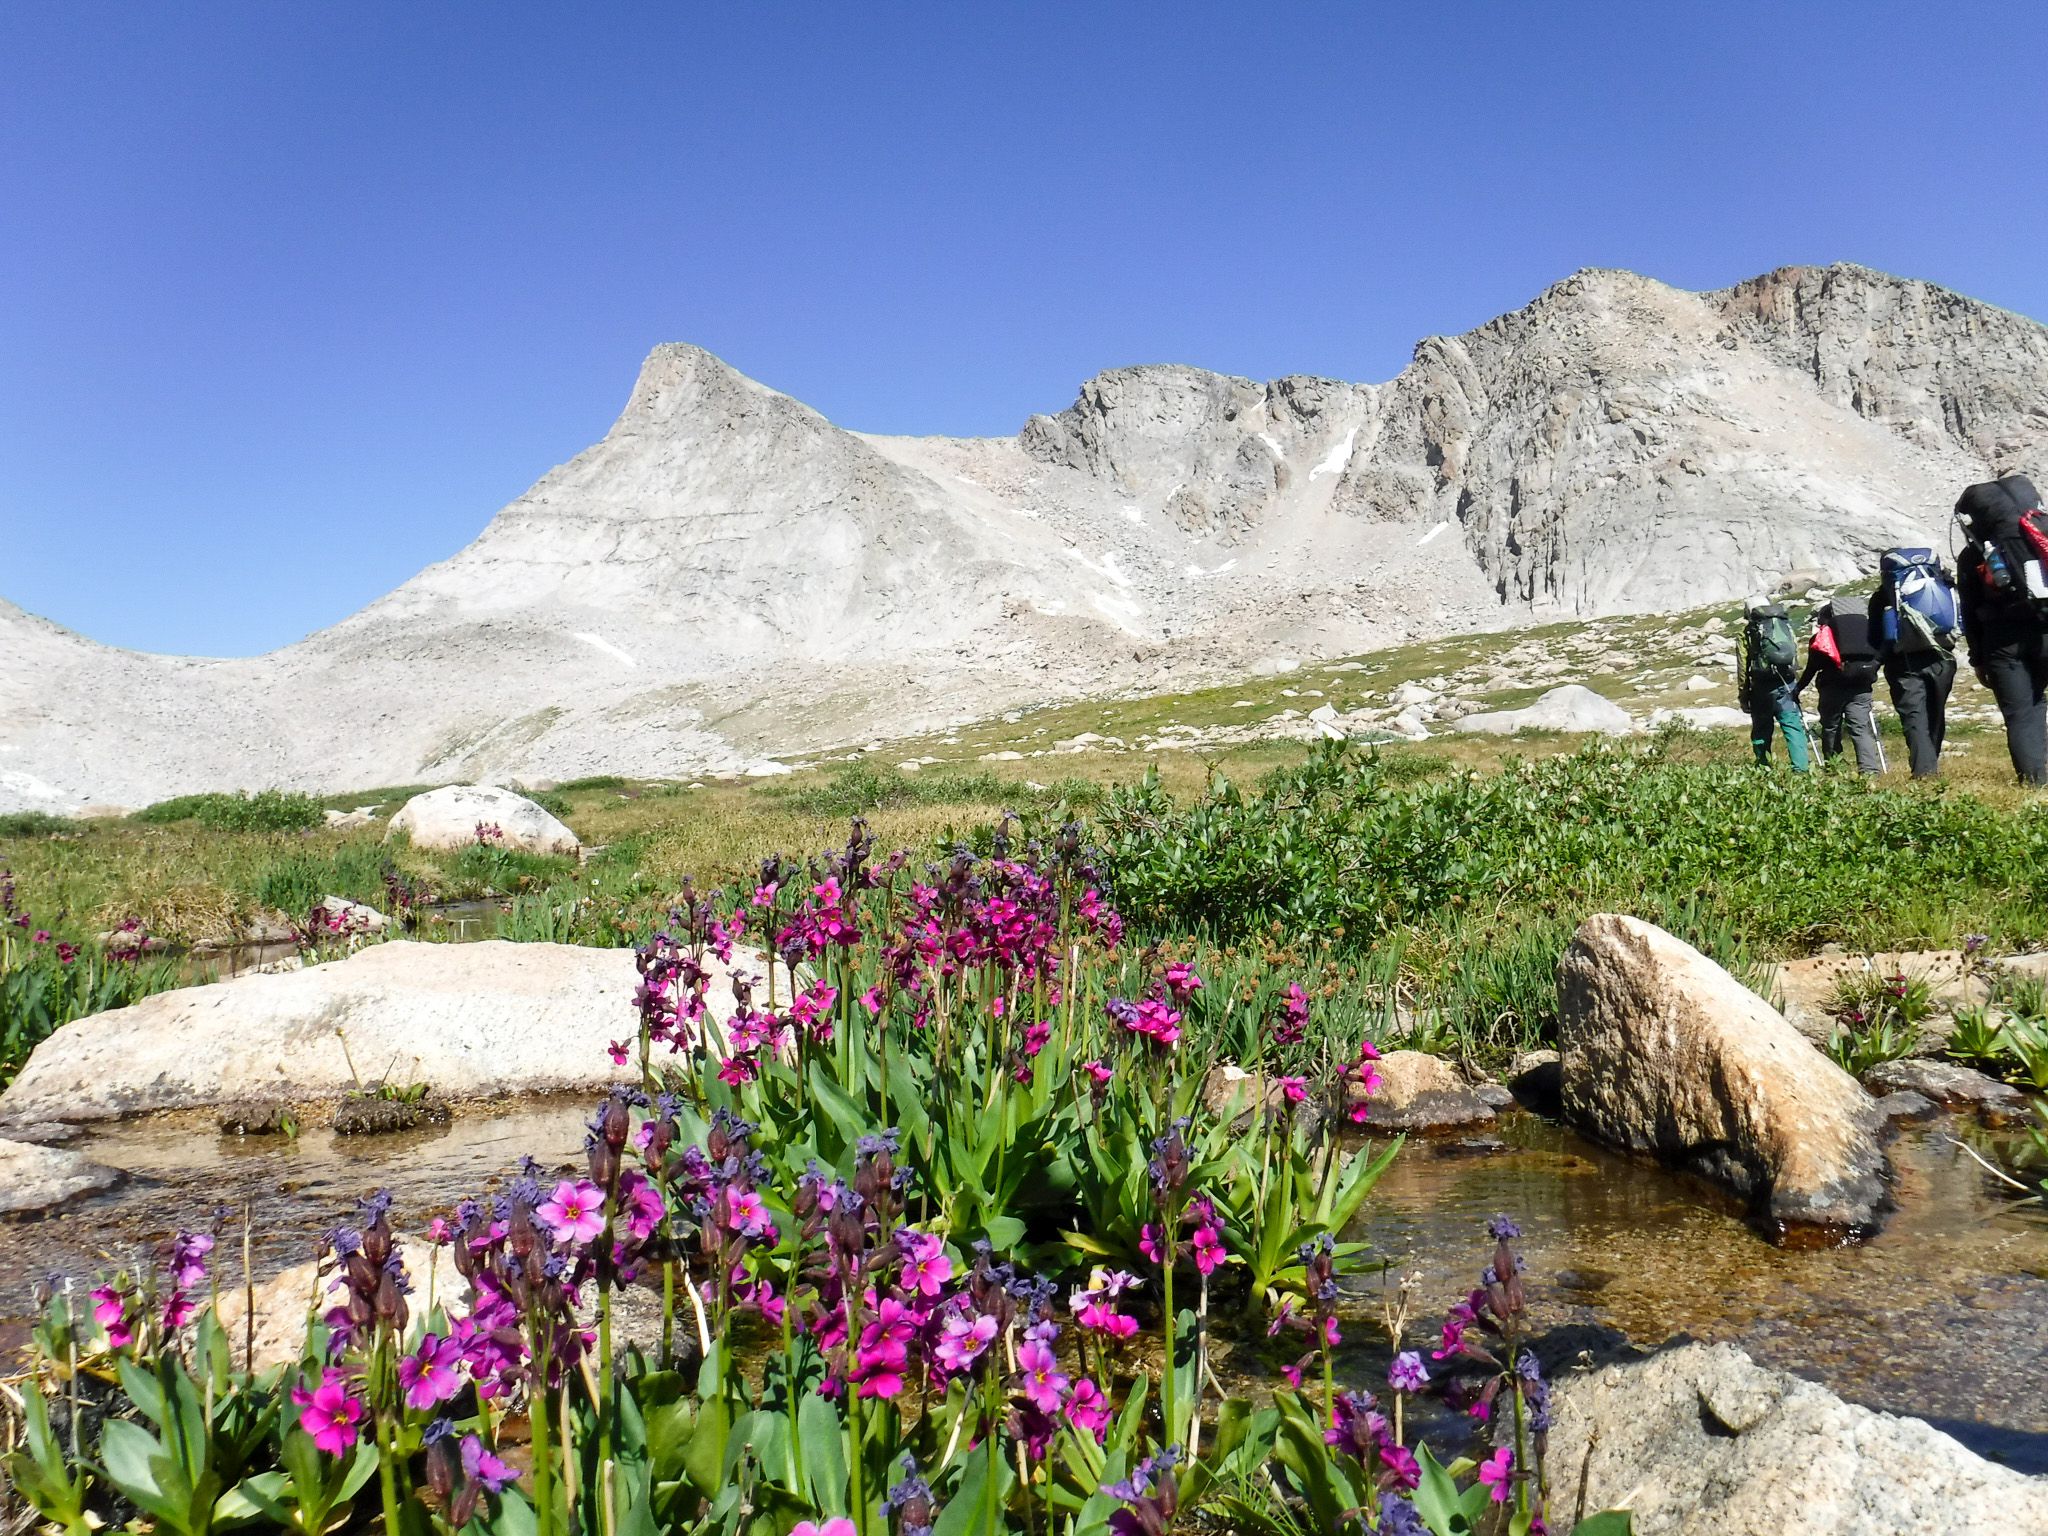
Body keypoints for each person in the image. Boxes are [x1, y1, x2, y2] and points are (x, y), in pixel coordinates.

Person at [1954, 473, 2048, 786]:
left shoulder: (1974, 555)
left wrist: (1977, 658)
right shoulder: (2039, 532)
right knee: (2038, 701)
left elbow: (1968, 610)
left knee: (2021, 712)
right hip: (2045, 626)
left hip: (2002, 641)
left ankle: (2035, 783)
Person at [1867, 547, 1960, 779]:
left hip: (1904, 664)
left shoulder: (1881, 597)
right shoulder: (1942, 583)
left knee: (1914, 718)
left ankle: (1925, 772)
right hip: (1942, 658)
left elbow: (1875, 638)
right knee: (1936, 713)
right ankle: (1929, 764)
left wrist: (1878, 661)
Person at [1794, 599, 1884, 773]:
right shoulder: (1863, 633)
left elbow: (1812, 668)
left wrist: (1798, 689)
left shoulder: (1822, 637)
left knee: (1831, 727)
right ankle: (1869, 770)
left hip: (1832, 688)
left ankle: (1834, 767)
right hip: (1861, 684)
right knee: (1860, 728)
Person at [1738, 595, 1811, 771]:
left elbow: (1742, 665)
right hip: (1786, 681)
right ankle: (1801, 769)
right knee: (1792, 725)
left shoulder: (1747, 632)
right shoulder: (1784, 624)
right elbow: (1796, 653)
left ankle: (1763, 766)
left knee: (1762, 728)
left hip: (1761, 686)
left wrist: (1743, 694)